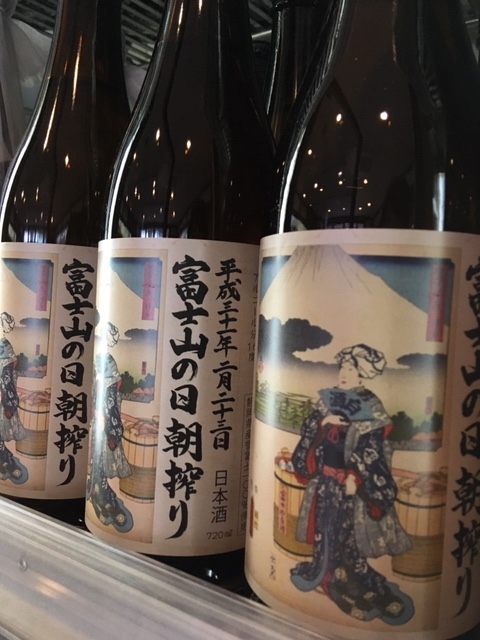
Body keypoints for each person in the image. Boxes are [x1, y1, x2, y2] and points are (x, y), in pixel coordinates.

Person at [290, 343, 413, 625]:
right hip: (325, 483)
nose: (344, 373)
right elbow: (309, 432)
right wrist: (324, 423)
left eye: (350, 368)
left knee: (348, 538)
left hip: (349, 486)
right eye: (342, 367)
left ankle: (351, 582)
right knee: (324, 531)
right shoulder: (327, 402)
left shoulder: (371, 405)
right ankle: (326, 575)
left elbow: (373, 447)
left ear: (362, 374)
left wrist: (356, 478)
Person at [88, 321, 133, 532]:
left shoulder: (103, 363)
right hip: (103, 425)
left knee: (99, 462)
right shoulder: (104, 363)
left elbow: (108, 400)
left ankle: (99, 493)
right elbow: (106, 403)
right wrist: (110, 426)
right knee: (99, 462)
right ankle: (100, 497)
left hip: (102, 424)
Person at [0, 312, 28, 483]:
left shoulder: (6, 359)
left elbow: (8, 383)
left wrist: (9, 404)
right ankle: (7, 463)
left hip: (3, 403)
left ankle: (8, 463)